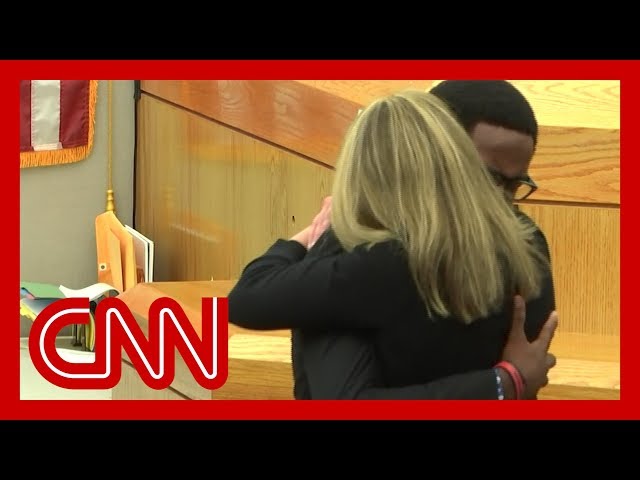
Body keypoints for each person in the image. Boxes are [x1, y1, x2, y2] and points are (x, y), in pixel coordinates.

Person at [228, 88, 557, 400]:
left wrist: (309, 242)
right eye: (490, 179)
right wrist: (508, 382)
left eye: (514, 186)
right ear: (447, 153)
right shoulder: (525, 244)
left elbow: (247, 299)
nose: (500, 200)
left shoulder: (371, 260)